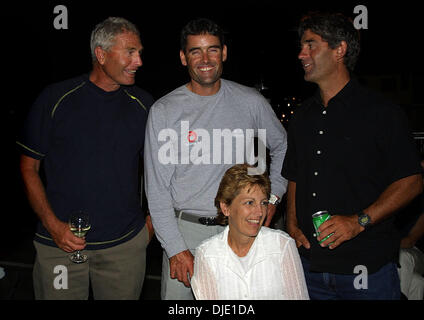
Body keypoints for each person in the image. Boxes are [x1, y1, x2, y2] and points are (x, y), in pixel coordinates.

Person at [282, 12, 423, 300]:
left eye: (311, 45)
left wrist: (358, 222)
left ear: (340, 49)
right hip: (310, 267)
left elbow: (411, 181)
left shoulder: (381, 113)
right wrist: (292, 225)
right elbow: (295, 175)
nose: (301, 54)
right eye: (301, 46)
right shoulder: (301, 117)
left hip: (367, 268)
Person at [144, 18, 287, 299]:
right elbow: (157, 190)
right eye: (195, 51)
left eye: (212, 49)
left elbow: (282, 147)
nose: (205, 59)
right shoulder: (164, 111)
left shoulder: (251, 103)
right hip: (185, 234)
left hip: (241, 231)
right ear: (184, 58)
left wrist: (273, 197)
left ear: (224, 53)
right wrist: (175, 248)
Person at [17, 17, 154, 300]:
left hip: (123, 248)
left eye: (139, 52)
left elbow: (162, 171)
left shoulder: (144, 105)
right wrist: (54, 226)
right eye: (130, 51)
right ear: (101, 55)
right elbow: (28, 167)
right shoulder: (55, 98)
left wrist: (150, 227)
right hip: (59, 247)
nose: (138, 61)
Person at [190, 164, 309, 299]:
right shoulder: (207, 254)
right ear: (225, 207)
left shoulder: (281, 245)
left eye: (263, 203)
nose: (259, 212)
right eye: (249, 203)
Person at [396, 159, 424, 300]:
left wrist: (385, 244)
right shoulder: (394, 198)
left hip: (413, 253)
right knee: (417, 283)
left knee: (403, 257)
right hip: (389, 252)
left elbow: (410, 240)